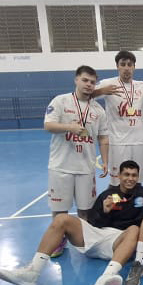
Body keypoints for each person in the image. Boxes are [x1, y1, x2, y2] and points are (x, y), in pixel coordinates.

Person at [0, 160, 143, 285]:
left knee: (134, 229)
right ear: (119, 176)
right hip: (98, 235)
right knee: (61, 219)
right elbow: (93, 222)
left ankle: (107, 277)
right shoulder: (108, 195)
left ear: (138, 177)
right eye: (126, 174)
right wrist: (105, 212)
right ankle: (33, 272)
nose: (130, 178)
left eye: (134, 175)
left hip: (122, 241)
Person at [44, 65, 109, 259]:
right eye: (85, 80)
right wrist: (69, 127)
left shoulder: (98, 110)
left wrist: (105, 161)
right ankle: (58, 241)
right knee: (59, 210)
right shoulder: (61, 101)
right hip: (61, 167)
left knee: (86, 210)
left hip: (86, 168)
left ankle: (85, 241)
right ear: (76, 80)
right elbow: (48, 125)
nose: (89, 85)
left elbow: (103, 138)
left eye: (92, 82)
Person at [93, 51, 143, 185]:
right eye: (123, 64)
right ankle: (116, 199)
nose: (126, 68)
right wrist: (101, 91)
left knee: (137, 180)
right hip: (117, 142)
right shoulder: (107, 84)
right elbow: (84, 94)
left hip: (138, 141)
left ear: (134, 67)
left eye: (129, 65)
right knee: (117, 182)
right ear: (117, 66)